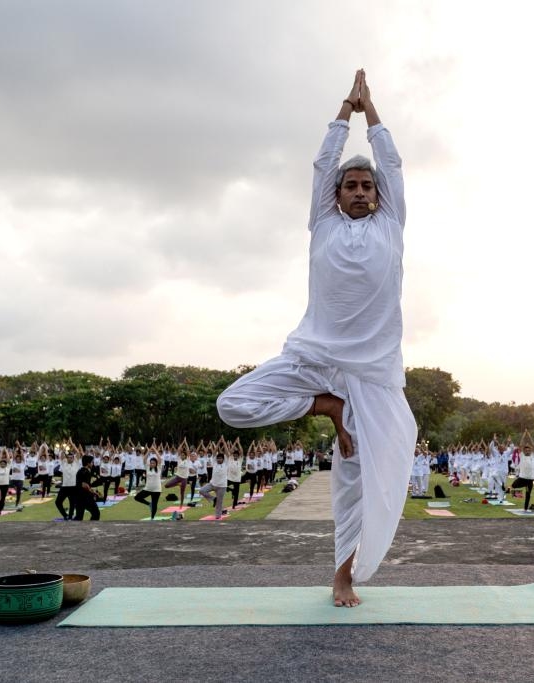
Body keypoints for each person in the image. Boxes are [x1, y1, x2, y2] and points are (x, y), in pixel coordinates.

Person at [217, 70, 418, 608]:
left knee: (371, 481)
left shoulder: (391, 224)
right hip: (312, 358)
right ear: (336, 195)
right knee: (232, 404)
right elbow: (321, 165)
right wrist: (343, 112)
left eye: (366, 186)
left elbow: (393, 166)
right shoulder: (323, 223)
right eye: (350, 185)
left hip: (373, 376)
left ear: (378, 196)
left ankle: (344, 575)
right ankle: (326, 406)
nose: (359, 191)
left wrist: (371, 113)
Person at [73, 455, 101, 521]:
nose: (92, 464)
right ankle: (90, 528)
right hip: (85, 497)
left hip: (78, 497)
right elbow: (85, 485)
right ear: (88, 463)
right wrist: (94, 493)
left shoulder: (80, 471)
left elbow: (82, 484)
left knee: (79, 517)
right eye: (91, 462)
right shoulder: (86, 472)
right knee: (96, 513)